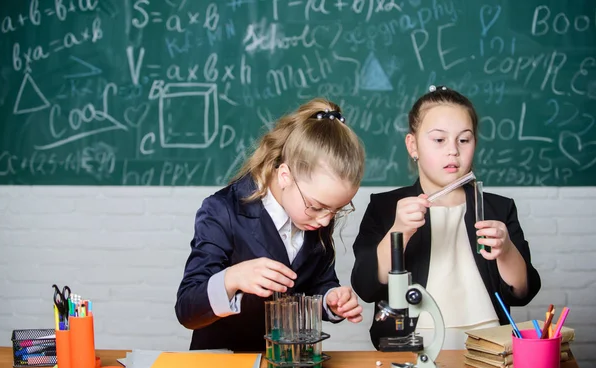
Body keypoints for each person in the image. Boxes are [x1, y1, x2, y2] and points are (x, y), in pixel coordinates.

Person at [351, 86, 541, 350]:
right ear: (412, 145)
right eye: (439, 140)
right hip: (410, 352)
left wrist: (505, 249)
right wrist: (399, 231)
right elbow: (365, 286)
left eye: (464, 140)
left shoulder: (498, 208)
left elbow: (523, 293)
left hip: (489, 350)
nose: (453, 151)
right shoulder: (385, 207)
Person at [176, 98, 366, 352]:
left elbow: (318, 282)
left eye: (336, 210)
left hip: (288, 362)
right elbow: (187, 309)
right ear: (285, 175)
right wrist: (232, 278)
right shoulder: (222, 211)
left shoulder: (313, 216)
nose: (325, 220)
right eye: (317, 206)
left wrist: (330, 299)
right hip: (224, 362)